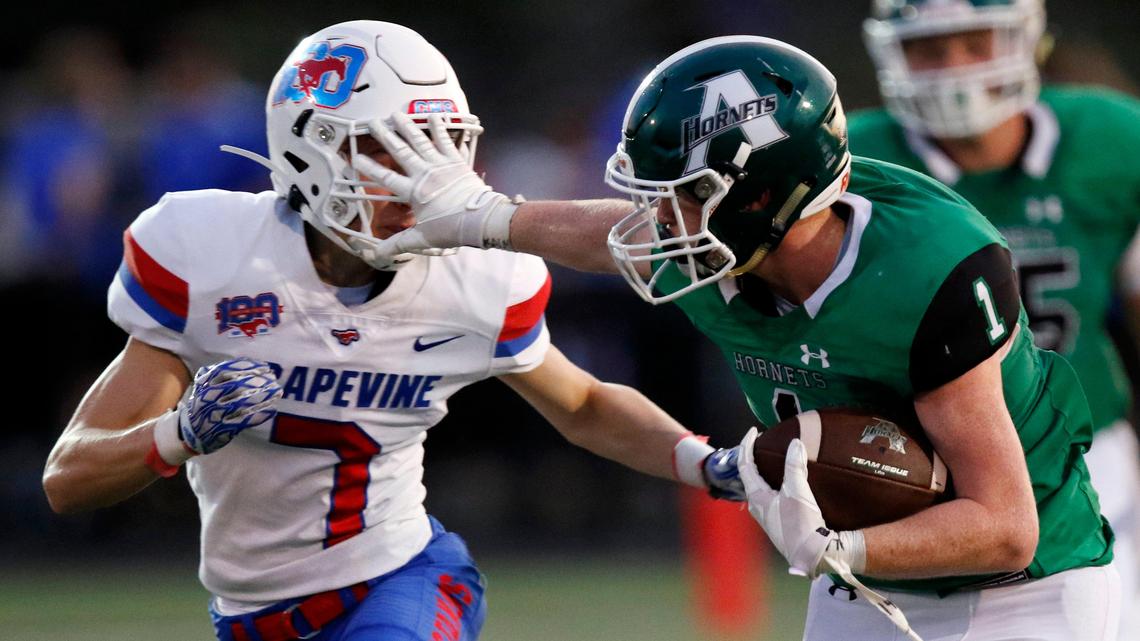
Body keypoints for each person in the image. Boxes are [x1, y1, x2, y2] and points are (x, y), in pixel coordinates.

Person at [356, 34, 1120, 640]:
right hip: (869, 584)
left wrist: (837, 546)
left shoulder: (931, 267)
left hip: (1031, 586)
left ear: (762, 196)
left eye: (685, 196)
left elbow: (1005, 526)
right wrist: (486, 216)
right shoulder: (729, 245)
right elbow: (611, 233)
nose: (661, 223)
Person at [40, 21, 745, 641]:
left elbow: (584, 403)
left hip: (401, 579)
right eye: (385, 149)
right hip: (248, 612)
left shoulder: (476, 277)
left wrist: (706, 464)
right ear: (306, 151)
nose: (417, 180)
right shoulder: (213, 255)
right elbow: (69, 477)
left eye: (438, 146)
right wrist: (180, 431)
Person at [852, 1, 1140, 636]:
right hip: (922, 469)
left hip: (1088, 459)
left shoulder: (1113, 139)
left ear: (1023, 39)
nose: (953, 68)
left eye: (974, 41)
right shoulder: (854, 160)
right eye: (929, 48)